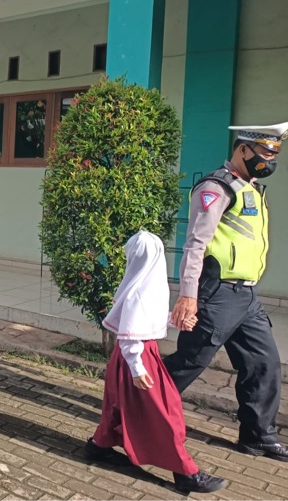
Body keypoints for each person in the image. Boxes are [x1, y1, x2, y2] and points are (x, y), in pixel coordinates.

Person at [165, 122, 287, 462]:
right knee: (189, 362)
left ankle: (257, 436)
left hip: (246, 297)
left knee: (264, 364)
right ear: (243, 149)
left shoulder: (251, 188)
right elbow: (195, 244)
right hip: (216, 294)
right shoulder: (216, 188)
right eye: (265, 152)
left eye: (275, 153)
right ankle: (131, 414)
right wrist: (188, 295)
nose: (271, 159)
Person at [85, 231, 227, 494]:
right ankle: (185, 472)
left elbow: (148, 322)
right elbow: (130, 336)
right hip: (137, 358)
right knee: (165, 411)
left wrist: (176, 321)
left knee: (119, 405)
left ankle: (99, 446)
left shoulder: (145, 285)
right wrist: (137, 369)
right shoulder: (139, 291)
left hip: (131, 358)